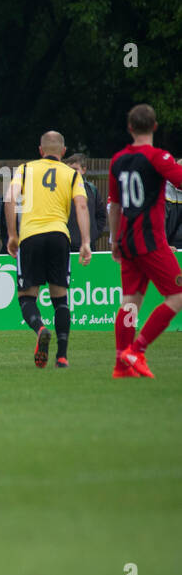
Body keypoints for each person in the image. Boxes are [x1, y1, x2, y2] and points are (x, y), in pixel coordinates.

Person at [5, 131, 91, 368]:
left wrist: (13, 235)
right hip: (59, 235)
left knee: (27, 296)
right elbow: (82, 205)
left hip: (31, 236)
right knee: (60, 298)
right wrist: (85, 241)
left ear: (40, 150)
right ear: (63, 152)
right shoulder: (72, 174)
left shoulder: (25, 169)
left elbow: (10, 199)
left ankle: (40, 328)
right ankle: (62, 356)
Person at [107, 104, 182, 379]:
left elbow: (114, 204)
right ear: (154, 127)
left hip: (127, 241)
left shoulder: (117, 160)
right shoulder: (158, 157)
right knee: (177, 296)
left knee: (129, 303)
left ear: (129, 128)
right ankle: (137, 349)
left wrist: (115, 240)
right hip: (151, 240)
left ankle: (120, 364)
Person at [64, 153, 106, 251]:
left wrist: (93, 234)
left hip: (88, 244)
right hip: (66, 244)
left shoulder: (92, 190)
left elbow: (101, 215)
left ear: (83, 170)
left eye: (75, 169)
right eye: (68, 170)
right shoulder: (61, 189)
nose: (71, 173)